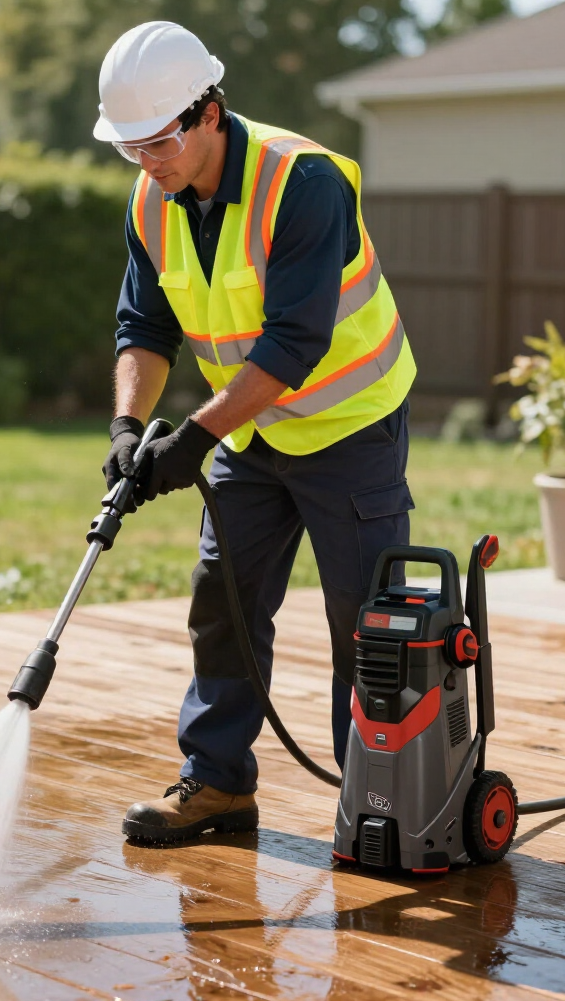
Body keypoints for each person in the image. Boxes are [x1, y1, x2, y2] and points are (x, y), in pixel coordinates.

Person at [95, 21, 417, 843]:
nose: (148, 161)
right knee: (223, 604)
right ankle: (218, 785)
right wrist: (129, 427)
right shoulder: (152, 197)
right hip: (248, 432)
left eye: (159, 140)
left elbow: (294, 345)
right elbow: (145, 323)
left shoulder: (301, 181)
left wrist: (193, 439)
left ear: (210, 112)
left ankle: (378, 802)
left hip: (350, 424)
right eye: (130, 146)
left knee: (366, 620)